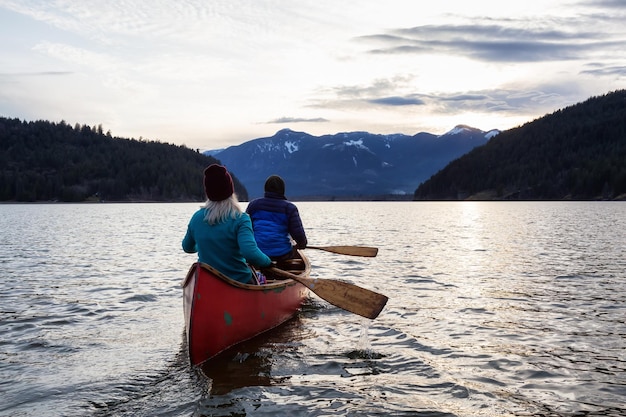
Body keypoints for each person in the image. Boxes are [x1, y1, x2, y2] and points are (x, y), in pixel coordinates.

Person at [182, 164, 272, 284]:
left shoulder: (196, 218)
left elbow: (187, 247)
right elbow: (250, 253)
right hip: (239, 281)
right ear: (230, 190)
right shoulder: (241, 218)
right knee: (259, 278)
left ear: (208, 191)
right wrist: (268, 262)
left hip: (207, 282)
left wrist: (206, 245)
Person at [246, 174, 307, 260]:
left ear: (265, 189)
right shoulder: (289, 208)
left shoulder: (253, 205)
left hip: (256, 253)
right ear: (282, 190)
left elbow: (245, 230)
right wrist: (302, 244)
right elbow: (298, 235)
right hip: (281, 255)